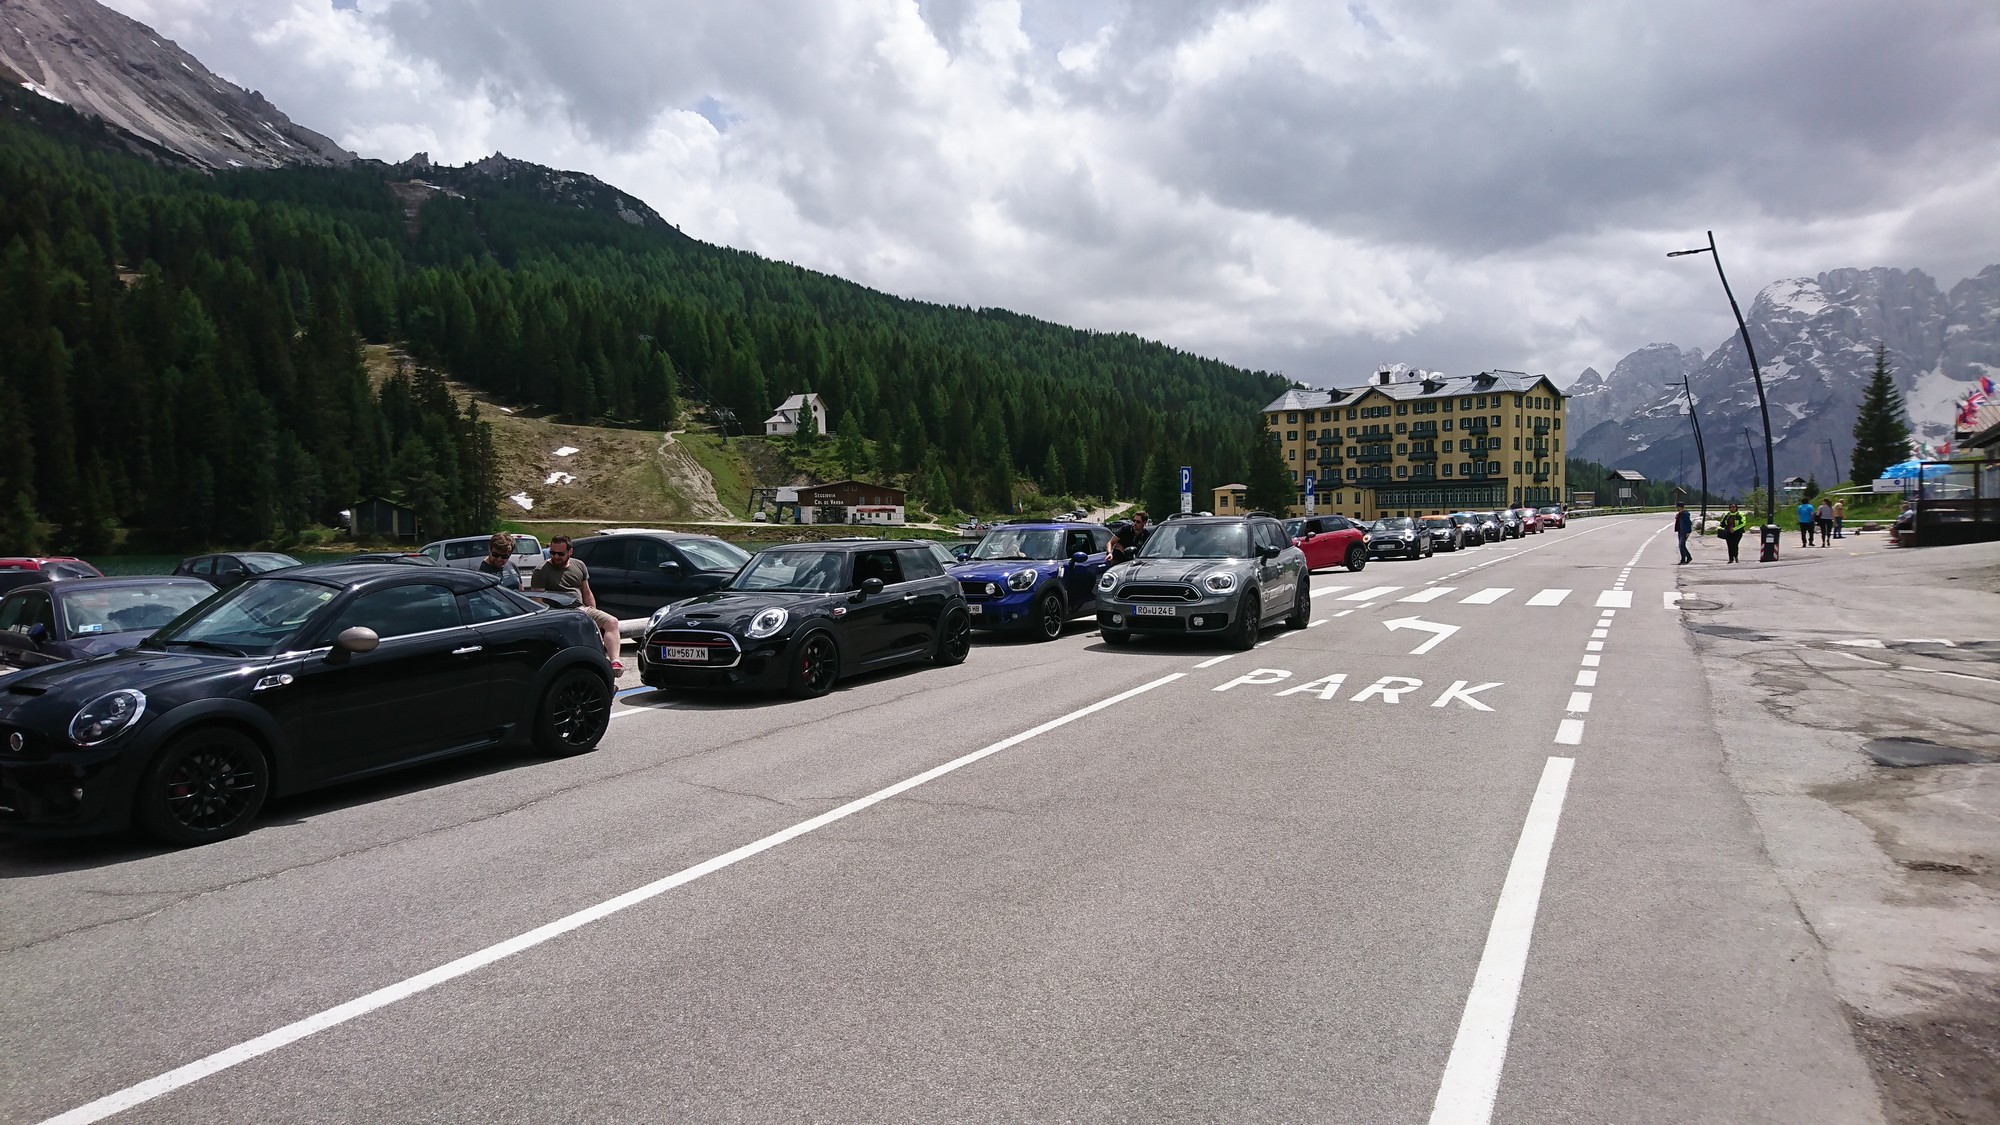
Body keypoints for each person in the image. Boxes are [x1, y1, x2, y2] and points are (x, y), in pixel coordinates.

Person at [531, 536, 625, 673]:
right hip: (559, 612)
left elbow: (587, 592)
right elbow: (538, 599)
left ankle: (615, 662)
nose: (556, 557)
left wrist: (593, 613)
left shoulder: (579, 565)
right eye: (553, 553)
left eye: (560, 554)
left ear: (570, 552)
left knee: (612, 622)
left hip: (580, 609)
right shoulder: (542, 570)